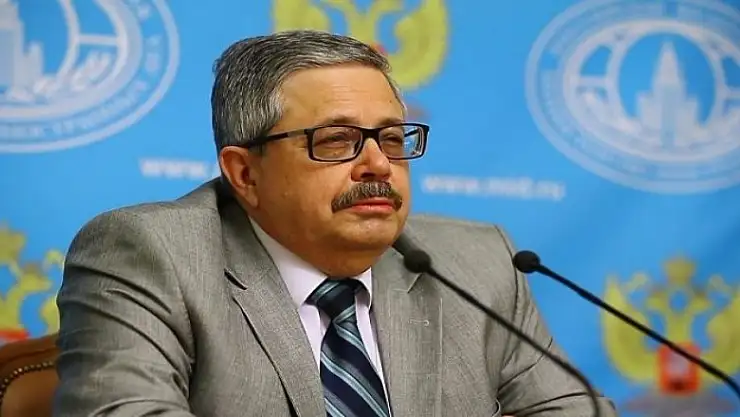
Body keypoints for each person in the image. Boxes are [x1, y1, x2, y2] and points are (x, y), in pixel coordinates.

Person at [53, 30, 617, 417]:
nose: (378, 165)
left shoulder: (476, 261)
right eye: (336, 141)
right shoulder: (151, 253)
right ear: (245, 173)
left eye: (391, 138)